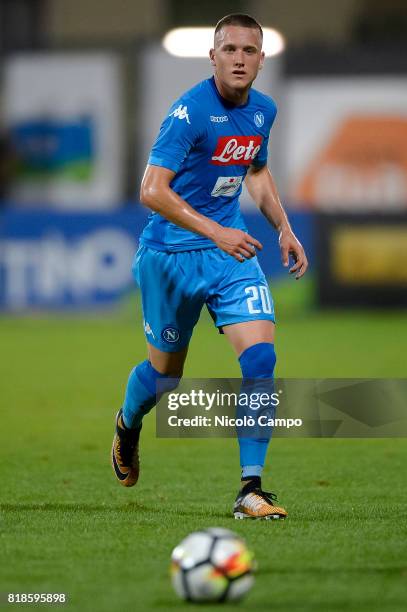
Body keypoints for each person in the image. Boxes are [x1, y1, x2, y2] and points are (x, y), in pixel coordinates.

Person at [112, 13, 308, 519]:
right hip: (170, 257)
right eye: (230, 50)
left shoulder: (263, 110)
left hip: (229, 256)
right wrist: (216, 230)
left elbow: (257, 170)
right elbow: (151, 190)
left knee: (261, 361)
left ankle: (251, 489)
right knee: (164, 377)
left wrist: (283, 227)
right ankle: (128, 425)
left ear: (262, 59)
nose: (239, 59)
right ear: (213, 56)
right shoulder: (189, 113)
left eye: (249, 51)